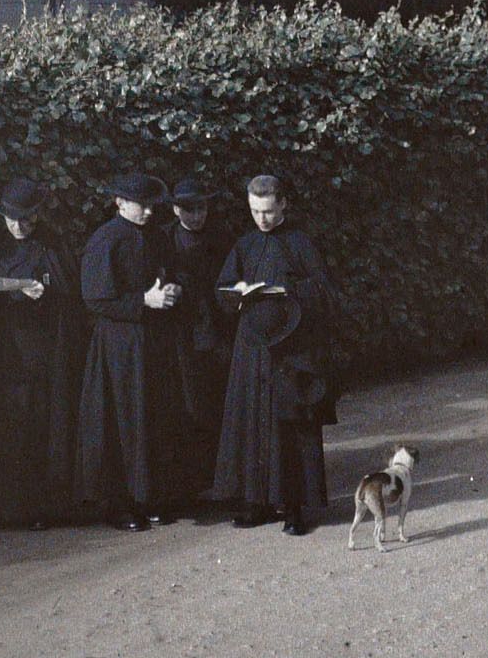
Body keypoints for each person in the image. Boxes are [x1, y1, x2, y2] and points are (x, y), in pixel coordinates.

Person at [213, 174, 337, 536]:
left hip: (292, 351)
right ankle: (257, 502)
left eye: (267, 211)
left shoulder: (301, 243)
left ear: (283, 204)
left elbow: (325, 290)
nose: (261, 219)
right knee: (252, 423)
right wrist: (236, 292)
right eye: (254, 211)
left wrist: (288, 289)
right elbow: (222, 289)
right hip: (251, 350)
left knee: (290, 426)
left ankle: (295, 507)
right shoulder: (245, 244)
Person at [0, 174, 85, 530]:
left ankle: (40, 507)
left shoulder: (52, 245)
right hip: (5, 349)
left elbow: (69, 289)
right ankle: (6, 506)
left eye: (25, 219)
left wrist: (44, 293)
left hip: (43, 350)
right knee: (7, 424)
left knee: (41, 426)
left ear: (37, 216)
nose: (18, 226)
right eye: (10, 219)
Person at [76, 171, 186, 530]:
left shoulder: (157, 236)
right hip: (119, 347)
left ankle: (153, 496)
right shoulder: (104, 240)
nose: (149, 213)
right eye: (142, 206)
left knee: (155, 417)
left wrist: (172, 290)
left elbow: (172, 273)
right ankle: (121, 504)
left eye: (152, 207)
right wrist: (144, 300)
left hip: (154, 341)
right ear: (120, 203)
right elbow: (96, 299)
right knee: (122, 421)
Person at [162, 174, 234, 508]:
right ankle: (191, 486)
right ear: (176, 210)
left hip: (219, 332)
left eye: (201, 208)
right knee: (187, 407)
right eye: (189, 209)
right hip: (182, 336)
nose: (196, 216)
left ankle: (225, 482)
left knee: (220, 405)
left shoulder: (221, 237)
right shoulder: (164, 241)